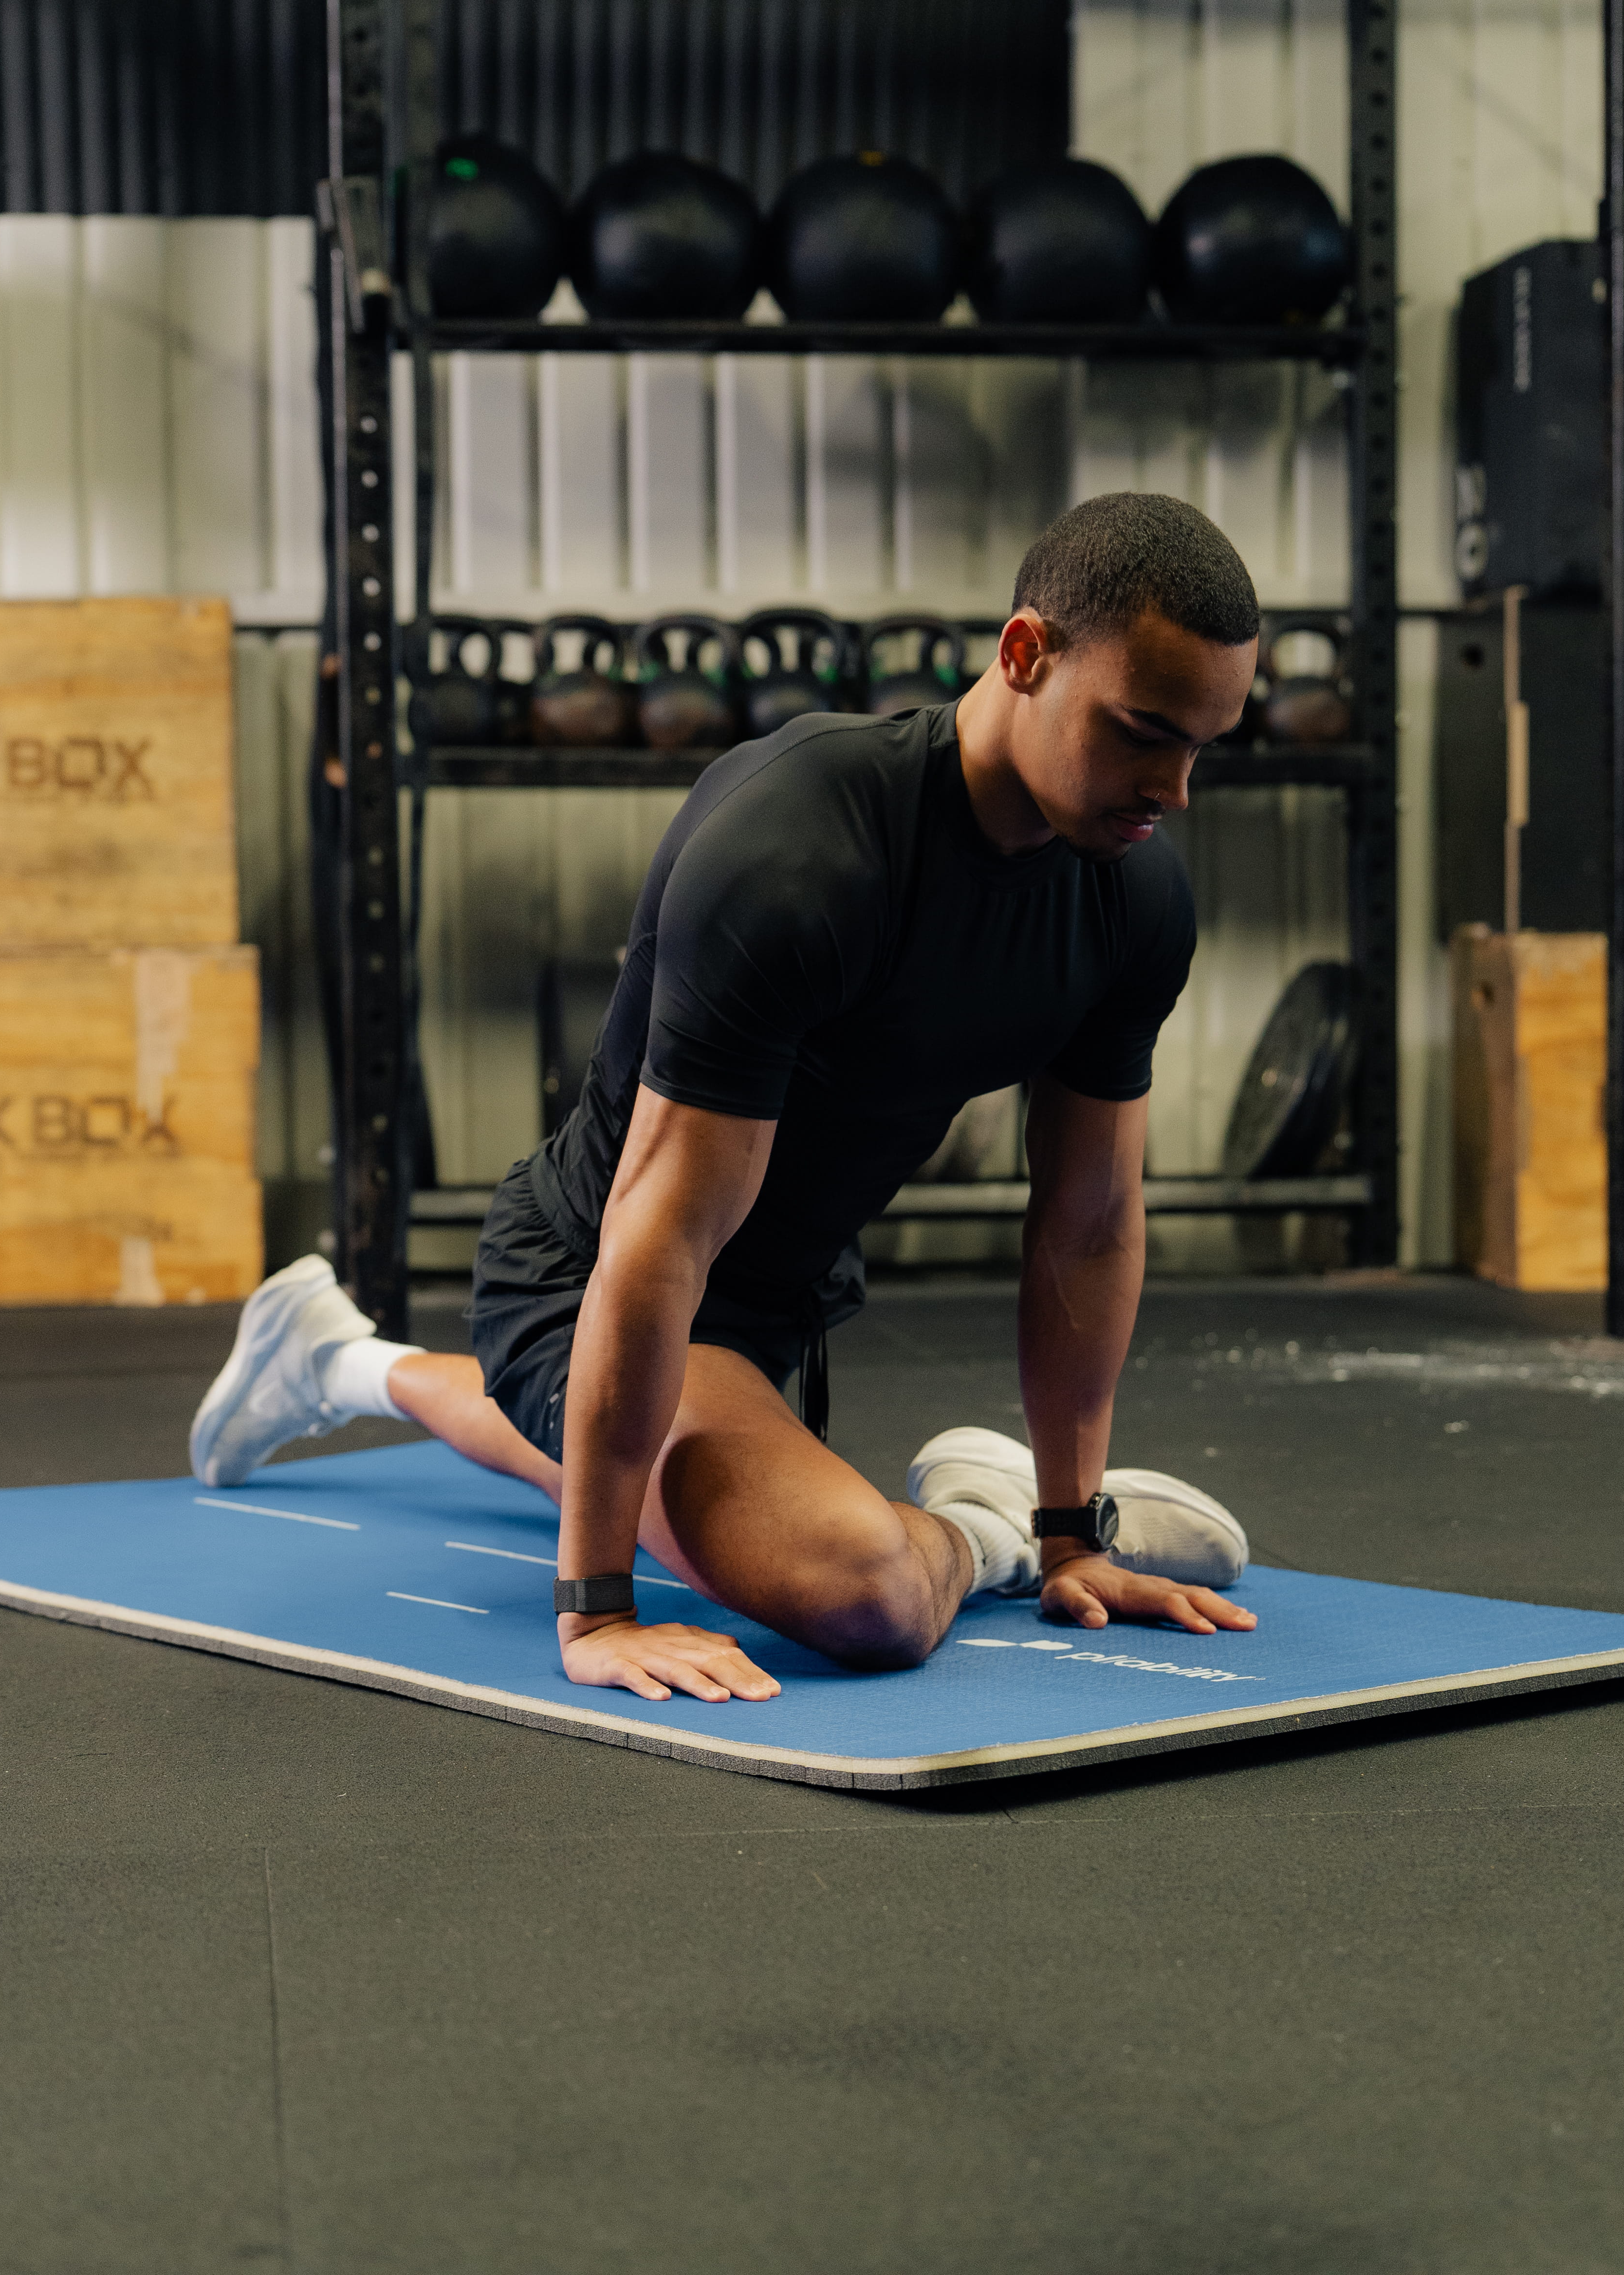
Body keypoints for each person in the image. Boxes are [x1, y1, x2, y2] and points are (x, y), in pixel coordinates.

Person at [191, 492, 1267, 1704]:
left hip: (771, 1304)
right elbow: (659, 1238)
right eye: (1142, 731)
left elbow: (1089, 1217)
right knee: (873, 1590)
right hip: (595, 1271)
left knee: (661, 1468)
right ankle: (984, 1522)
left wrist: (1089, 1533)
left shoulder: (1132, 898)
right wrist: (595, 1608)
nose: (1173, 788)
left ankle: (338, 1359)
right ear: (1024, 654)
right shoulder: (802, 848)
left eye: (1203, 745)